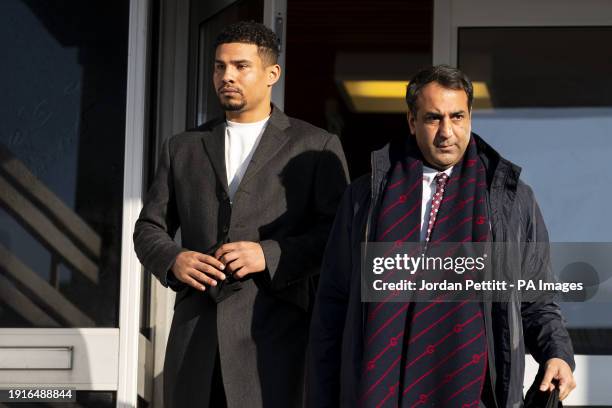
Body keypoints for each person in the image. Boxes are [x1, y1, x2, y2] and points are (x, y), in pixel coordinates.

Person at [307, 65, 576, 407]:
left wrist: (557, 353)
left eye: (457, 117)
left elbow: (536, 296)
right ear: (411, 121)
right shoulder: (365, 197)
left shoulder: (509, 199)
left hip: (474, 394)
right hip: (382, 390)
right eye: (433, 118)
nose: (446, 131)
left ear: (470, 118)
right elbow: (332, 305)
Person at [134, 21, 349, 408]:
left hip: (276, 343)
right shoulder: (181, 147)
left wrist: (267, 254)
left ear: (271, 74)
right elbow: (149, 227)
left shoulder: (316, 145)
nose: (226, 76)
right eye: (220, 66)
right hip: (195, 342)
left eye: (240, 66)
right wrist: (173, 258)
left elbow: (337, 234)